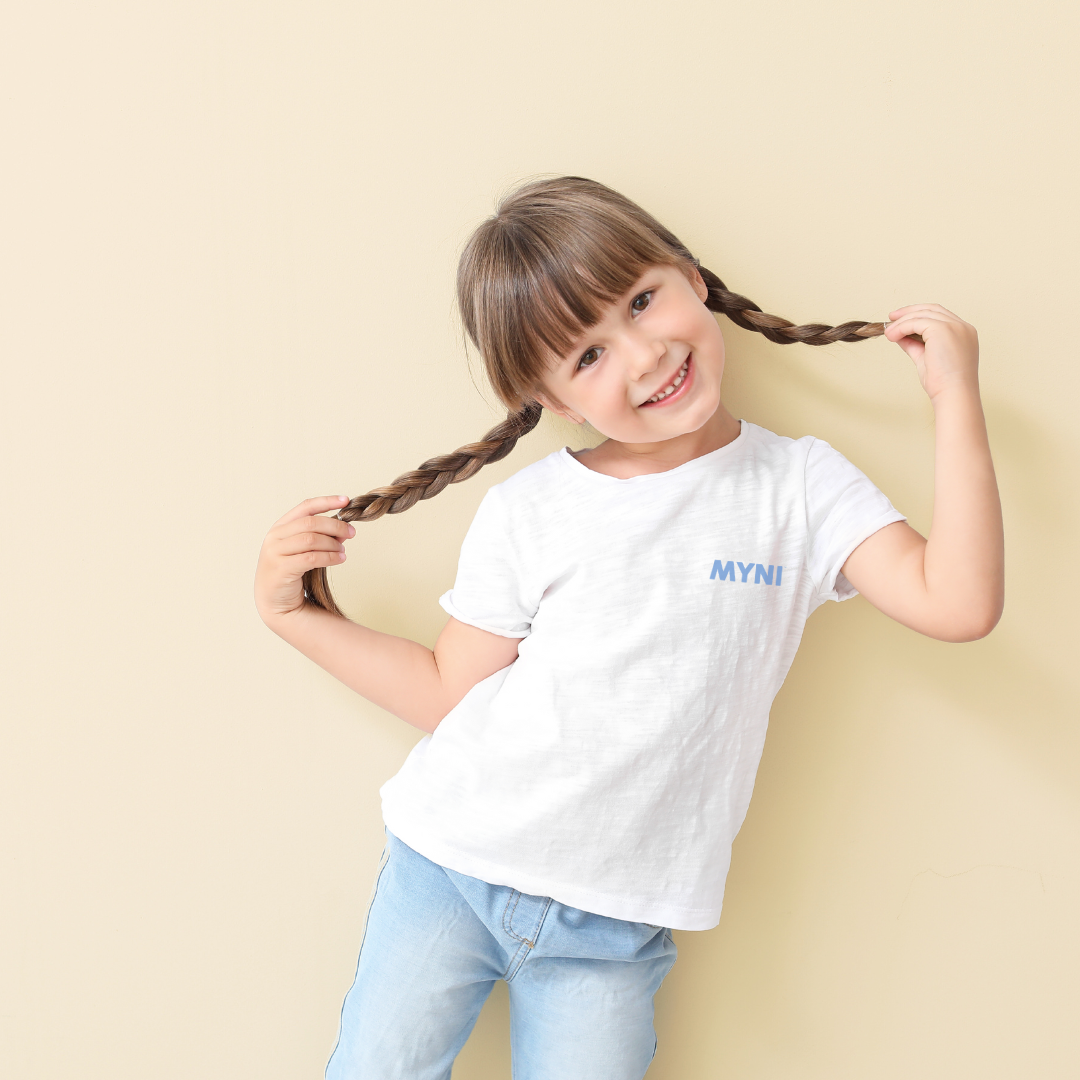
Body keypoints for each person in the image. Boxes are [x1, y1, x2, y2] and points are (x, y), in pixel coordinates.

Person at [254, 177, 1004, 1079]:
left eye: (642, 301)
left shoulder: (800, 490)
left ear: (688, 274)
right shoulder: (530, 509)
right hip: (447, 870)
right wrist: (291, 614)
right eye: (587, 357)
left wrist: (955, 396)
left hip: (611, 929)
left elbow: (957, 603)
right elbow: (451, 692)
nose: (644, 356)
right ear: (555, 399)